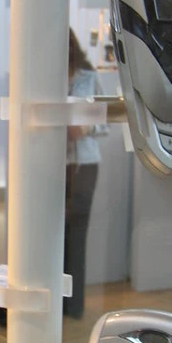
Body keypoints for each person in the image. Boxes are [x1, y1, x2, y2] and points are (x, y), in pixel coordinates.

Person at [63, 29, 108, 319]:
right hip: (53, 164)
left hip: (84, 163)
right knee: (54, 234)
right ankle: (56, 302)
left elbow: (105, 121)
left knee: (77, 232)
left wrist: (86, 127)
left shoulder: (89, 77)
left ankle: (74, 304)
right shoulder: (42, 78)